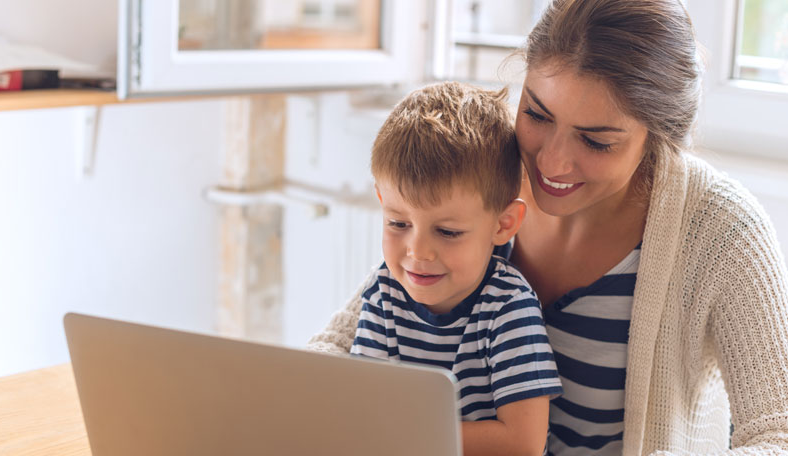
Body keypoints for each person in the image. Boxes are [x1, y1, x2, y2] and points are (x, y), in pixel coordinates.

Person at [309, 0, 788, 454]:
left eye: (596, 141)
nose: (550, 163)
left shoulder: (721, 232)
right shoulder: (483, 173)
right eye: (537, 114)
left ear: (657, 137)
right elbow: (342, 340)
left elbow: (779, 435)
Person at [351, 81, 563, 456]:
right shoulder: (383, 291)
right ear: (381, 201)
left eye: (448, 232)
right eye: (398, 223)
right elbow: (363, 409)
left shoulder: (508, 307)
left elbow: (523, 443)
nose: (417, 251)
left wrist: (406, 436)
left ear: (503, 225)